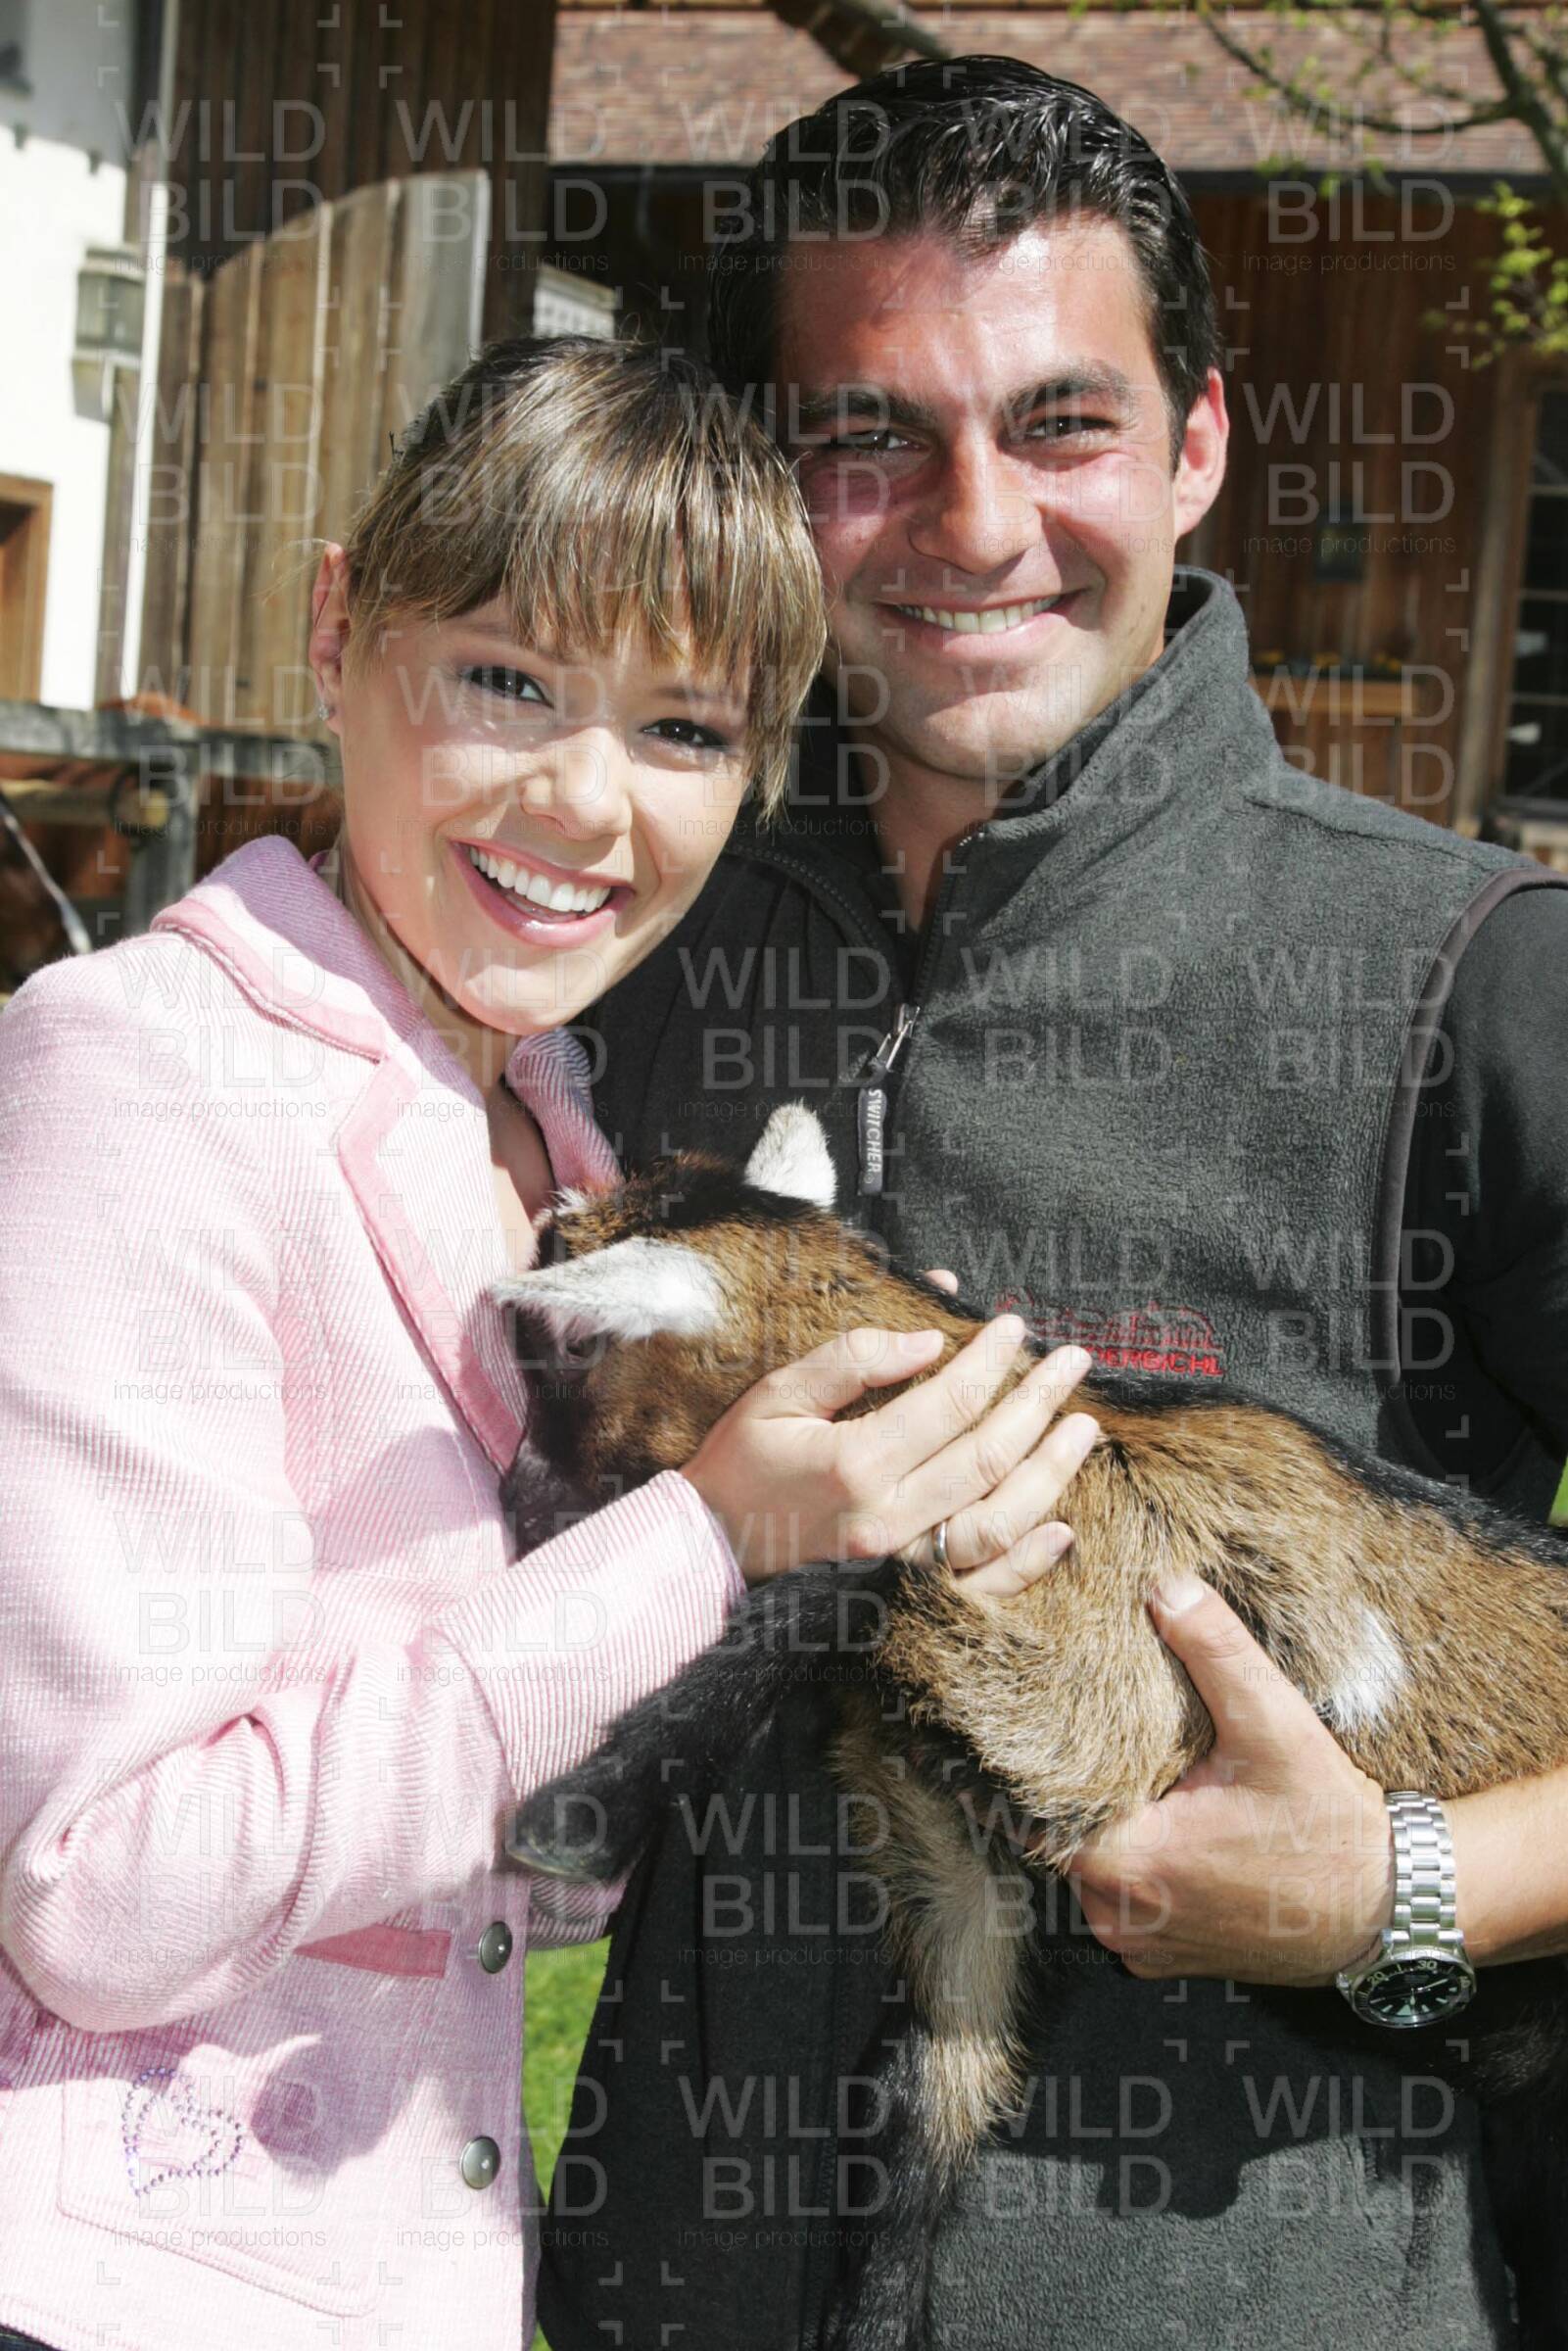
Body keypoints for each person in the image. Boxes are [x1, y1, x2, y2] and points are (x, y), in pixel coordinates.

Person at [539, 60, 1568, 2351]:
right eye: (867, 437)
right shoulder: (628, 959)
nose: (975, 523)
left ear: (1195, 446)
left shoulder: (1470, 985)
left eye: (1062, 424)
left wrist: (1409, 1886)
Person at [0, 335, 1102, 2351]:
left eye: (682, 726)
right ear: (337, 628)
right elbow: (106, 1893)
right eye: (506, 679)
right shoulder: (139, 1076)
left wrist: (903, 1531)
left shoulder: (551, 1118)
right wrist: (707, 1538)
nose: (585, 803)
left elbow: (525, 1867)